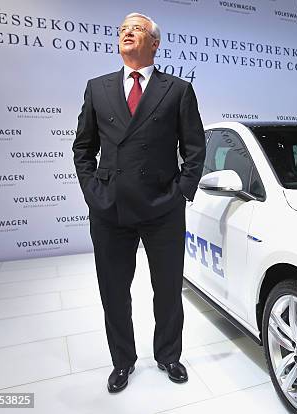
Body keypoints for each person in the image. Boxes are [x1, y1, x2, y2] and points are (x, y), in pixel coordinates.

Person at [72, 12, 205, 393]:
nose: (128, 33)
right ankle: (122, 361)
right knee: (113, 290)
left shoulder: (177, 89)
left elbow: (194, 148)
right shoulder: (97, 88)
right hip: (109, 207)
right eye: (123, 30)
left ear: (155, 43)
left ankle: (168, 355)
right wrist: (91, 190)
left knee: (167, 289)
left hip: (162, 206)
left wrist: (181, 192)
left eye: (137, 29)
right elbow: (83, 147)